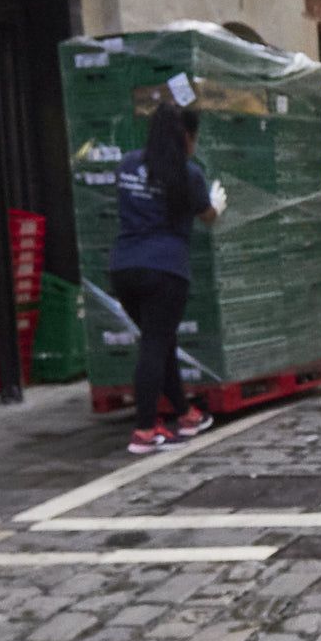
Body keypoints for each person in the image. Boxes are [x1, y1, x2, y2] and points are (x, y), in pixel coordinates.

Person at [110, 98, 211, 454]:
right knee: (155, 344)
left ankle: (185, 414)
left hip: (123, 266)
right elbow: (208, 216)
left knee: (160, 339)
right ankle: (145, 430)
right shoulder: (189, 173)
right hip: (165, 269)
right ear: (186, 136)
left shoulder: (126, 165)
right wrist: (218, 205)